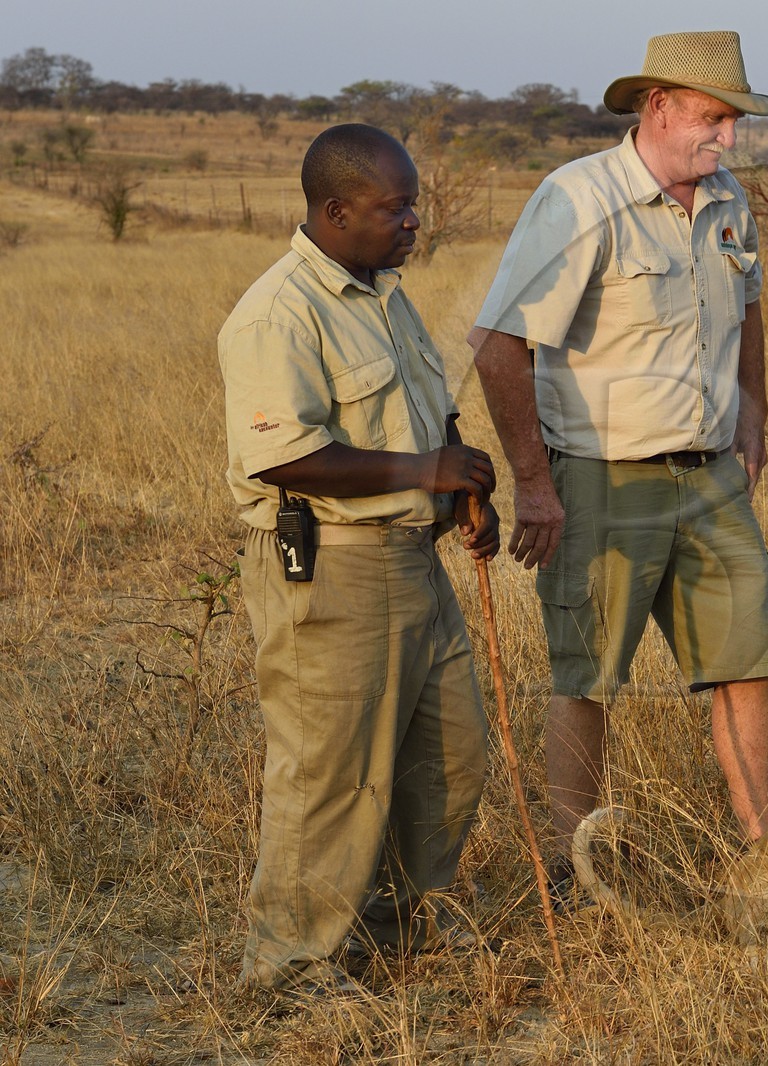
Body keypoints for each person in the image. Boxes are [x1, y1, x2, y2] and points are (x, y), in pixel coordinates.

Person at [470, 31, 768, 896]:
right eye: (713, 118)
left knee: (749, 660)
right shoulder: (577, 199)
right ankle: (577, 874)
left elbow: (748, 306)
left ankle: (767, 863)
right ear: (658, 108)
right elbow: (498, 344)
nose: (727, 138)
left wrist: (752, 411)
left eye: (734, 120)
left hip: (712, 475)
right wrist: (535, 483)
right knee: (588, 676)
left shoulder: (727, 200)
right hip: (601, 475)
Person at [218, 123, 500, 992]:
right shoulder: (278, 312)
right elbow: (284, 456)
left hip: (413, 560)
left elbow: (425, 409)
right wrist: (426, 470)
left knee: (449, 751)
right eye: (396, 206)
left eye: (412, 203)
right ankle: (291, 965)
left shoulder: (383, 293)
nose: (413, 220)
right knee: (331, 772)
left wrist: (461, 490)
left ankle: (390, 926)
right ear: (336, 210)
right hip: (332, 567)